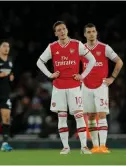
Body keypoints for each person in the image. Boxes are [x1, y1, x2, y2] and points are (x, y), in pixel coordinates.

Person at [36, 21, 96, 154]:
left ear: (67, 30)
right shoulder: (52, 47)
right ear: (55, 33)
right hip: (59, 87)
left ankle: (84, 147)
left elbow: (92, 60)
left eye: (63, 29)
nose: (62, 32)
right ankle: (65, 147)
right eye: (59, 30)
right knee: (61, 117)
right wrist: (50, 75)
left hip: (74, 86)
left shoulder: (77, 44)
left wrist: (83, 75)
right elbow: (39, 62)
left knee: (79, 116)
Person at [81, 23, 123, 153]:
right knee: (91, 116)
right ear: (85, 34)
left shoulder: (104, 48)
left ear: (96, 32)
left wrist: (112, 78)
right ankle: (95, 146)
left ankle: (103, 145)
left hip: (101, 86)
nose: (91, 34)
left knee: (102, 114)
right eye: (88, 32)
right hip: (86, 86)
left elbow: (119, 61)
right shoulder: (81, 49)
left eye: (93, 31)